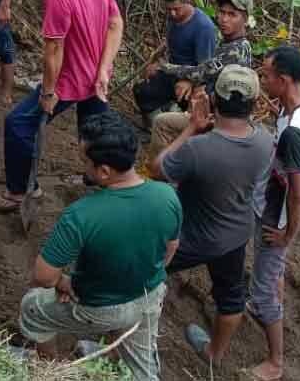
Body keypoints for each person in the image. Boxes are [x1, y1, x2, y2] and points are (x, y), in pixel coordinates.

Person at [17, 111, 182, 381]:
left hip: (99, 307)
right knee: (144, 370)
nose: (84, 166)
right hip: (150, 297)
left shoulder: (81, 214)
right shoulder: (167, 195)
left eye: (85, 161)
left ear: (104, 171)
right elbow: (171, 248)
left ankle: (52, 370)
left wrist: (65, 284)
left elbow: (43, 276)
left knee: (32, 307)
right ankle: (121, 358)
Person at [0, 0, 123, 213]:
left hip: (70, 81)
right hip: (95, 80)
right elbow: (116, 24)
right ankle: (105, 185)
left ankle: (19, 190)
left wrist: (49, 92)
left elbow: (53, 49)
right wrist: (104, 69)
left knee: (18, 125)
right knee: (95, 135)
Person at [148, 65, 273, 364]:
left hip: (189, 235)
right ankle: (214, 354)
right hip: (234, 235)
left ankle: (128, 341)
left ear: (213, 100)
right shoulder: (265, 140)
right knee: (230, 298)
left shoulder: (197, 147)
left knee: (143, 273)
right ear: (255, 104)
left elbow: (157, 169)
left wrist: (192, 125)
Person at [247, 45, 300, 381]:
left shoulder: (293, 132)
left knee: (263, 284)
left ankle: (275, 362)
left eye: (266, 76)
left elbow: (299, 195)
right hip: (274, 203)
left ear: (284, 79)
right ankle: (270, 301)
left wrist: (288, 234)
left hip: (278, 215)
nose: (263, 81)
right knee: (271, 271)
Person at [149, 0, 253, 153]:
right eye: (222, 13)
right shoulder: (236, 44)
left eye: (232, 15)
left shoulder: (234, 50)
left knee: (161, 123)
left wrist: (165, 67)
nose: (224, 19)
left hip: (219, 122)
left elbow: (202, 71)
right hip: (214, 111)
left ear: (245, 19)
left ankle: (162, 172)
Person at [133, 0, 217, 128]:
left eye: (176, 9)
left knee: (195, 109)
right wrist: (156, 61)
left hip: (194, 79)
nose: (172, 13)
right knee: (142, 90)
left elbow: (207, 68)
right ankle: (156, 126)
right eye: (168, 9)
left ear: (187, 1)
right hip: (172, 72)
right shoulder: (173, 17)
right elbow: (172, 42)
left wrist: (190, 82)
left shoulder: (203, 27)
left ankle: (176, 127)